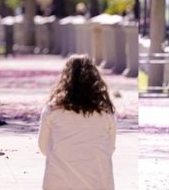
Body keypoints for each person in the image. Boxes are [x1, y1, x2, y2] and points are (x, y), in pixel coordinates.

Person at [38, 55, 116, 190]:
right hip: (97, 182)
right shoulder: (106, 112)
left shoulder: (52, 109)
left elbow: (43, 147)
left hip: (58, 182)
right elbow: (110, 148)